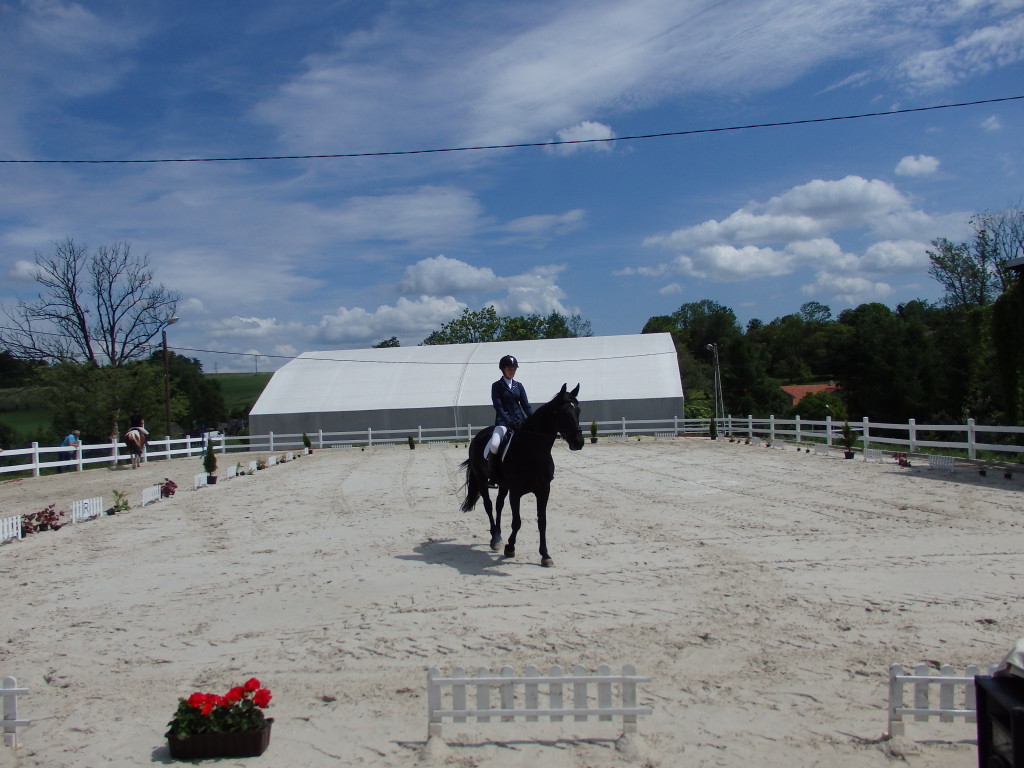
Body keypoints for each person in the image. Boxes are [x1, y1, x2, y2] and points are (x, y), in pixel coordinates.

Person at [484, 354, 532, 486]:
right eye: (509, 368)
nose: (512, 370)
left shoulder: (519, 386)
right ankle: (492, 476)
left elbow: (526, 405)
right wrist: (508, 421)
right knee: (494, 444)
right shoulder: (496, 386)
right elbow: (498, 406)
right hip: (503, 423)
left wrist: (533, 419)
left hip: (520, 422)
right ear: (503, 369)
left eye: (514, 368)